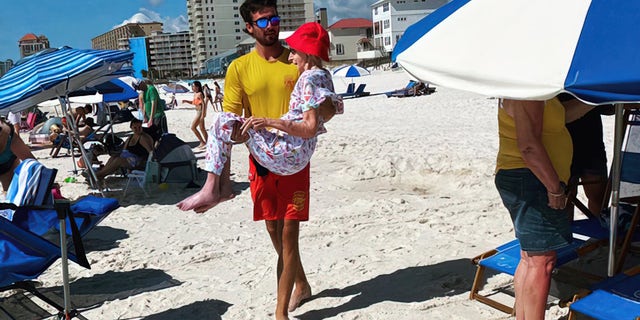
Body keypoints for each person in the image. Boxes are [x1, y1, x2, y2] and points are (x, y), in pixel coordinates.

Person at [179, 3, 327, 319]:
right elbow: (232, 124)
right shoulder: (239, 68)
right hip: (260, 157)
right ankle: (300, 282)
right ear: (249, 26)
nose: (271, 25)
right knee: (273, 229)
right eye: (263, 21)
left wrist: (305, 119)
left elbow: (324, 108)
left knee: (289, 232)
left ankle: (280, 312)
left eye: (275, 19)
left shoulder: (297, 60)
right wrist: (240, 134)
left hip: (293, 158)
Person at [495, 98, 573, 319]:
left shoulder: (526, 85)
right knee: (542, 262)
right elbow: (528, 147)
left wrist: (594, 101)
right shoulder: (529, 90)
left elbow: (559, 117)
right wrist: (554, 188)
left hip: (522, 176)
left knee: (530, 258)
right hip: (531, 179)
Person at [562, 94, 608, 216]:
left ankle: (598, 230)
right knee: (566, 200)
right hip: (566, 144)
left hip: (591, 142)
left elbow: (610, 109)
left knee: (599, 200)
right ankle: (596, 230)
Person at [0, 120, 35, 190]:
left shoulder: (11, 137)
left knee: (11, 191)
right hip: (7, 156)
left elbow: (33, 163)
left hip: (8, 163)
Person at [182, 81, 208, 149]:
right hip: (197, 111)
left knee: (193, 127)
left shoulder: (199, 94)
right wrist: (186, 101)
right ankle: (208, 142)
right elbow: (193, 102)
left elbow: (203, 104)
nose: (192, 87)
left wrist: (203, 114)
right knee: (202, 129)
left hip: (200, 112)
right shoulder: (195, 94)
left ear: (197, 87)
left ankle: (202, 142)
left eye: (193, 86)